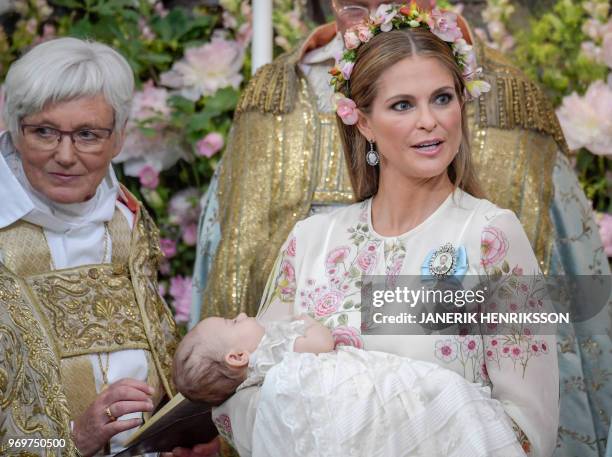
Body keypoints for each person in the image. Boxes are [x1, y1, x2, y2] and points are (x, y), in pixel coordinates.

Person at [192, 2, 611, 455]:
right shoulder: (312, 242)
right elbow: (243, 395)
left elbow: (531, 427)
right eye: (402, 105)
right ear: (364, 121)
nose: (429, 121)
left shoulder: (491, 237)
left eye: (442, 98)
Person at [0, 37, 216, 457]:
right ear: (12, 127)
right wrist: (73, 440)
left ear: (117, 138)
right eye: (44, 131)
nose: (65, 155)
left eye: (87, 134)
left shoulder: (128, 220)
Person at [174, 312, 527, 457]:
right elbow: (322, 343)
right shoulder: (276, 355)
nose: (241, 315)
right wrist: (307, 322)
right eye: (231, 321)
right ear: (237, 357)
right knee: (431, 394)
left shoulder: (254, 387)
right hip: (363, 384)